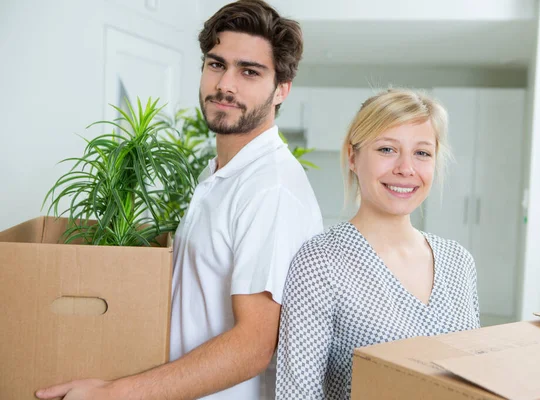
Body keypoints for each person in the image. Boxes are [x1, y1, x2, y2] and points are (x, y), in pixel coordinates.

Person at [36, 1, 322, 399]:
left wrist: (116, 394)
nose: (226, 85)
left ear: (281, 90)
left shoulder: (270, 188)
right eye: (216, 64)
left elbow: (254, 346)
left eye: (249, 72)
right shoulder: (220, 172)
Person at [275, 88, 480, 399]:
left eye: (422, 153)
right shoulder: (321, 262)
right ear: (353, 157)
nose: (406, 168)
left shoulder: (459, 262)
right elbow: (297, 394)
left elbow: (475, 380)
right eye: (387, 149)